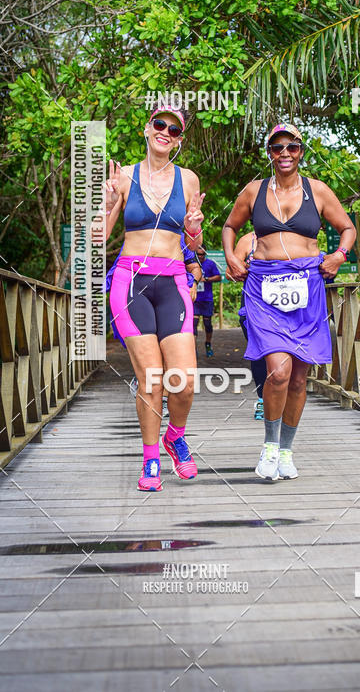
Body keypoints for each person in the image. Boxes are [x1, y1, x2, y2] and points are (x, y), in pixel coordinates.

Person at [223, 122, 356, 481]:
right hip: (264, 285)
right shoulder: (253, 191)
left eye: (292, 147)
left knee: (299, 378)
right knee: (278, 372)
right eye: (277, 147)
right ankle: (268, 447)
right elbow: (229, 227)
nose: (285, 153)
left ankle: (286, 451)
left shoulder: (319, 191)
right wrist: (231, 258)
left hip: (307, 285)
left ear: (301, 151)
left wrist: (340, 256)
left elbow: (347, 228)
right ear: (269, 152)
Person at [104, 105, 205, 492]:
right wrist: (111, 201)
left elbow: (194, 243)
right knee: (152, 379)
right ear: (147, 129)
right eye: (159, 124)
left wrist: (194, 230)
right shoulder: (123, 177)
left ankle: (174, 436)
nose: (165, 131)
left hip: (174, 280)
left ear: (179, 140)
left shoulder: (189, 179)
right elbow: (97, 237)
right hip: (131, 282)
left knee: (184, 381)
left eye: (174, 129)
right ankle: (150, 461)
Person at [106, 232, 199, 420]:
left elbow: (195, 266)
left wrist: (194, 283)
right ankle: (143, 380)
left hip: (171, 294)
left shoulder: (179, 237)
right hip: (134, 294)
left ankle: (163, 399)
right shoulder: (136, 234)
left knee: (169, 350)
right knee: (150, 351)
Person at [228, 230, 267, 419]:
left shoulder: (291, 234)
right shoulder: (248, 241)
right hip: (254, 304)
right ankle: (262, 400)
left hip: (285, 306)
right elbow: (230, 273)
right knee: (259, 352)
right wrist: (241, 269)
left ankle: (283, 399)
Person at [189, 248, 221, 358]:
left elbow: (218, 277)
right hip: (195, 299)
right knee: (194, 324)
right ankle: (193, 348)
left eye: (202, 254)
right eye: (198, 254)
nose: (201, 256)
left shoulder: (210, 264)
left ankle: (208, 344)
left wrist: (206, 279)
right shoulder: (190, 264)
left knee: (207, 324)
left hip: (207, 299)